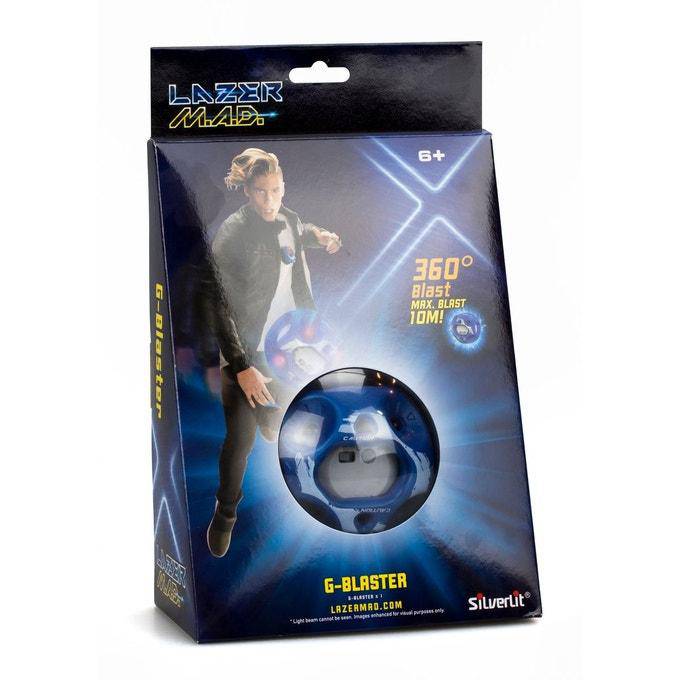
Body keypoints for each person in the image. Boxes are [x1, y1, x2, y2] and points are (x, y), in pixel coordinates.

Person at [207, 148, 342, 557]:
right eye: (262, 193)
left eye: (277, 191)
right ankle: (225, 513)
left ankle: (272, 418)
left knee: (306, 417)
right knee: (241, 439)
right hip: (245, 350)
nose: (270, 201)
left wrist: (320, 236)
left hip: (290, 342)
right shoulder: (232, 235)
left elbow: (297, 233)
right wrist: (241, 367)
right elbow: (217, 304)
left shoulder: (288, 218)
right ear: (247, 191)